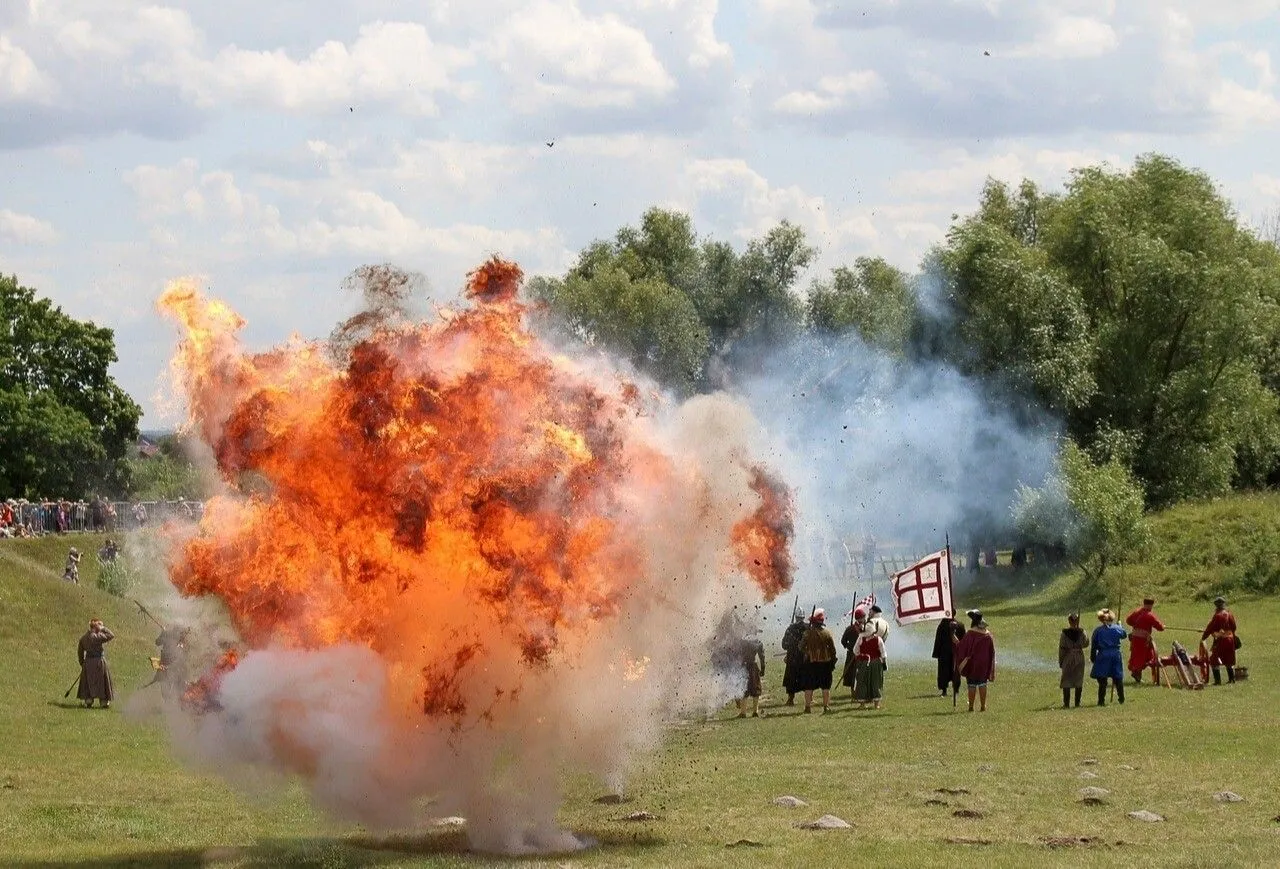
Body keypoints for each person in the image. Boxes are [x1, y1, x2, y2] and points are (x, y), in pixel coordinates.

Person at [954, 615, 996, 711]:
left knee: (971, 684)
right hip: (984, 663)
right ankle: (983, 706)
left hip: (972, 662)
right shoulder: (988, 635)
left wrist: (956, 641)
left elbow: (962, 646)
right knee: (982, 683)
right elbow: (992, 651)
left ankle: (971, 706)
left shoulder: (970, 634)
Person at [800, 609, 837, 714]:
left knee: (808, 686)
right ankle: (826, 707)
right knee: (825, 686)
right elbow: (833, 650)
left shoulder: (807, 633)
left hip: (810, 663)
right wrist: (833, 660)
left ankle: (807, 707)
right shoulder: (827, 633)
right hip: (825, 664)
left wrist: (808, 652)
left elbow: (800, 646)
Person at [1090, 608, 1127, 705]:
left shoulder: (1098, 631)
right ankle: (1121, 699)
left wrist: (1093, 657)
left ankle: (1101, 701)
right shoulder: (1117, 628)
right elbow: (1124, 635)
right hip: (1115, 655)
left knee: (1102, 680)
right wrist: (1120, 626)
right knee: (1118, 678)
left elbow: (1094, 645)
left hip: (1103, 655)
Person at [1124, 597, 1165, 683]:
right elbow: (1159, 626)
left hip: (1135, 638)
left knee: (1136, 655)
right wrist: (1162, 626)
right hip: (1142, 640)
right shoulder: (1150, 615)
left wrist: (1136, 626)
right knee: (1142, 656)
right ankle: (1137, 673)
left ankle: (1136, 672)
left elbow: (1128, 620)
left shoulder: (1137, 612)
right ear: (1151, 605)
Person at [77, 618, 115, 708]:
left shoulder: (83, 638)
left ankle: (88, 700)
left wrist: (82, 663)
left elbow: (80, 652)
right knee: (101, 682)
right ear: (96, 627)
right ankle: (103, 702)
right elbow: (111, 635)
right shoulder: (98, 637)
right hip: (99, 662)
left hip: (88, 663)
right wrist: (102, 628)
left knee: (88, 682)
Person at [1202, 596, 1238, 685]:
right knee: (1229, 659)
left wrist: (1204, 636)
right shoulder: (1229, 614)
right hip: (1230, 640)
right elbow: (1234, 627)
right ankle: (1231, 679)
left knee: (1214, 660)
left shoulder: (1217, 616)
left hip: (1222, 640)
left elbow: (1210, 627)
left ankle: (1217, 681)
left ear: (1217, 607)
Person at [852, 617, 886, 709]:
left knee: (862, 682)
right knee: (876, 682)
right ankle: (876, 704)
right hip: (875, 663)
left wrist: (861, 656)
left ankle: (863, 704)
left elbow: (855, 651)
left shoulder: (861, 638)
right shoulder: (878, 639)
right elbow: (883, 653)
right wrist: (883, 662)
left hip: (864, 662)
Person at [1058, 612, 1089, 708]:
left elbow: (1062, 648)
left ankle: (1066, 704)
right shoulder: (1082, 632)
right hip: (1079, 657)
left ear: (1069, 621)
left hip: (1068, 656)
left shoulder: (1064, 634)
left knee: (1067, 679)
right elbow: (1086, 643)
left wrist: (1061, 661)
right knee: (1078, 679)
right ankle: (1077, 703)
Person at [932, 615, 965, 697]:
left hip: (944, 652)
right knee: (955, 671)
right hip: (954, 652)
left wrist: (936, 653)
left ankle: (944, 690)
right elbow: (963, 640)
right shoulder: (960, 624)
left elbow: (938, 640)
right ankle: (956, 689)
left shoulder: (942, 625)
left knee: (945, 671)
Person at [736, 632, 766, 718]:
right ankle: (755, 711)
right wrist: (763, 668)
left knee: (744, 688)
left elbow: (737, 655)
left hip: (744, 666)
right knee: (755, 688)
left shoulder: (741, 642)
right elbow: (762, 657)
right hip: (753, 666)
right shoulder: (758, 642)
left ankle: (743, 712)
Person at [780, 611, 807, 706]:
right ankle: (809, 699)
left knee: (791, 678)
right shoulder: (808, 628)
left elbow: (784, 645)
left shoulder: (790, 629)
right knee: (805, 678)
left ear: (796, 617)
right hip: (804, 657)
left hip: (792, 657)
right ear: (803, 617)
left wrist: (791, 647)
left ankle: (790, 699)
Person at [840, 608, 867, 700]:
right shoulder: (853, 628)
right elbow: (843, 641)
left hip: (860, 654)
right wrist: (850, 647)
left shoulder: (861, 628)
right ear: (860, 618)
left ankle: (858, 691)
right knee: (852, 673)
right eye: (864, 617)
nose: (865, 619)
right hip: (854, 654)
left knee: (859, 673)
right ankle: (854, 692)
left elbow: (843, 641)